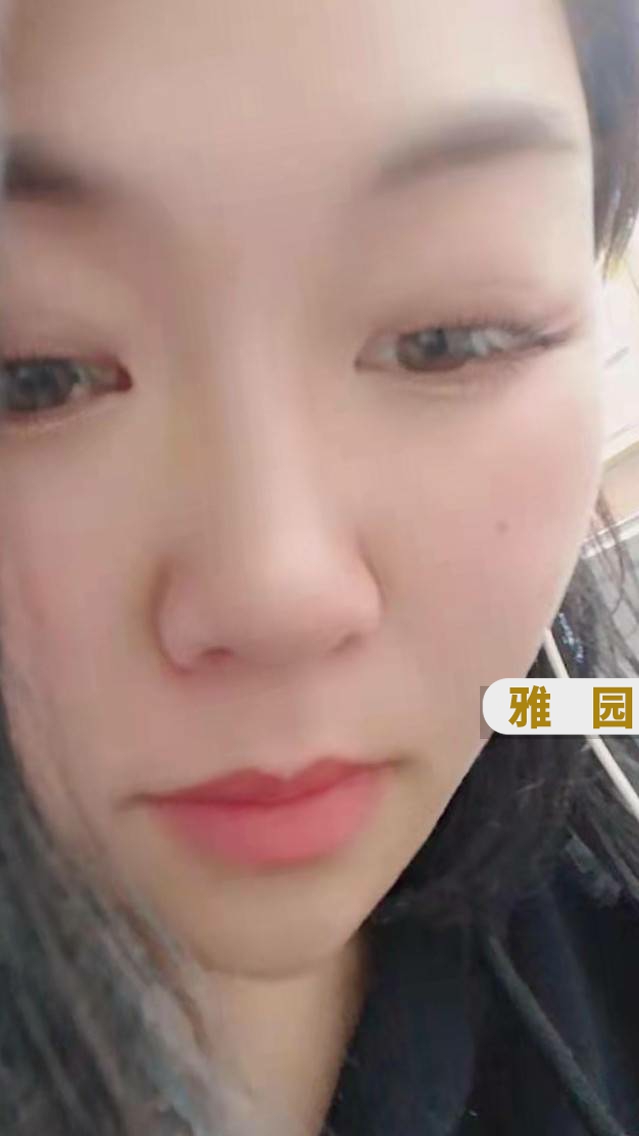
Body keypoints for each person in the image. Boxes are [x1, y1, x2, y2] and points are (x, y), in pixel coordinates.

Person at [1, 1, 639, 1133]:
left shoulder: (552, 715)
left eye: (451, 338)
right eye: (34, 376)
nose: (277, 590)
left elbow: (574, 705)